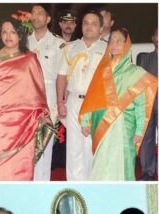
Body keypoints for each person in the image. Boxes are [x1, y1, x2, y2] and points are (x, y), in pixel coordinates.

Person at [79, 29, 158, 180]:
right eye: (111, 40)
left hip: (124, 127)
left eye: (118, 41)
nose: (114, 44)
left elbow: (141, 106)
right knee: (100, 166)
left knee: (122, 165)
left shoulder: (136, 73)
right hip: (100, 124)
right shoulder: (102, 71)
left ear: (126, 44)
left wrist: (140, 130)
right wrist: (85, 121)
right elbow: (92, 97)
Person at [0, 18, 51, 181]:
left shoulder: (30, 58)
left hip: (23, 122)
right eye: (4, 31)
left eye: (12, 31)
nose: (8, 35)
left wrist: (43, 113)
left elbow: (38, 88)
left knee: (20, 163)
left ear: (20, 35)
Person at [57, 10, 107, 181]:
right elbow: (62, 76)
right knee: (74, 149)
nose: (89, 26)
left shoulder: (108, 49)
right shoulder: (71, 47)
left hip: (97, 105)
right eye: (86, 23)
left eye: (94, 23)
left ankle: (92, 186)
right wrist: (60, 102)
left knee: (93, 149)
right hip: (73, 103)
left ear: (101, 28)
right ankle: (75, 185)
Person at [28, 4, 65, 181]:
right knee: (28, 151)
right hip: (26, 103)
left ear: (48, 19)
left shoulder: (58, 44)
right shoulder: (24, 42)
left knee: (44, 150)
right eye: (33, 13)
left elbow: (62, 76)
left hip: (48, 102)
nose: (36, 17)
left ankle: (41, 183)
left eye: (40, 14)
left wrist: (60, 103)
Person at [137, 28, 158, 180]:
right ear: (153, 37)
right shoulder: (145, 59)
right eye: (158, 34)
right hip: (148, 104)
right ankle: (148, 172)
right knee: (147, 139)